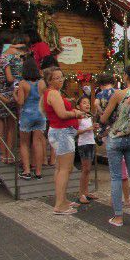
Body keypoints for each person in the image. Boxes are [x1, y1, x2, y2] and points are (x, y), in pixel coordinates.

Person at [99, 64, 130, 227]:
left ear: (125, 76)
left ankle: (118, 216)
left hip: (116, 138)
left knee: (116, 177)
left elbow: (104, 118)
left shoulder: (118, 94)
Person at [41, 67, 84, 215]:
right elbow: (61, 114)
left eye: (61, 77)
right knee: (65, 169)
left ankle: (62, 199)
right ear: (49, 80)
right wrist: (76, 113)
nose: (61, 80)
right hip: (62, 133)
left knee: (60, 168)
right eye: (57, 78)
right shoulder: (53, 93)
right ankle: (59, 205)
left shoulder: (51, 93)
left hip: (58, 132)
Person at [94, 73, 130, 205]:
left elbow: (96, 106)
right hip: (120, 130)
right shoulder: (118, 92)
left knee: (114, 169)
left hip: (107, 132)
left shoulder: (99, 95)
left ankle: (115, 198)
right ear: (113, 82)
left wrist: (101, 113)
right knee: (123, 169)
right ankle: (126, 198)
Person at [13, 56, 45, 180]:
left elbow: (21, 102)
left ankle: (26, 171)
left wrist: (14, 95)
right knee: (37, 143)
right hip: (40, 114)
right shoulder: (42, 82)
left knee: (24, 143)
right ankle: (38, 172)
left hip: (27, 114)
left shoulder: (23, 83)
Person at [75, 97, 96, 204]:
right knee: (85, 169)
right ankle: (81, 194)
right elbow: (75, 132)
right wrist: (88, 129)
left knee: (88, 169)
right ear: (78, 106)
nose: (87, 105)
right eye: (84, 103)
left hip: (91, 142)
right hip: (83, 144)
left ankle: (86, 192)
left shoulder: (89, 116)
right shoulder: (79, 117)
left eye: (88, 103)